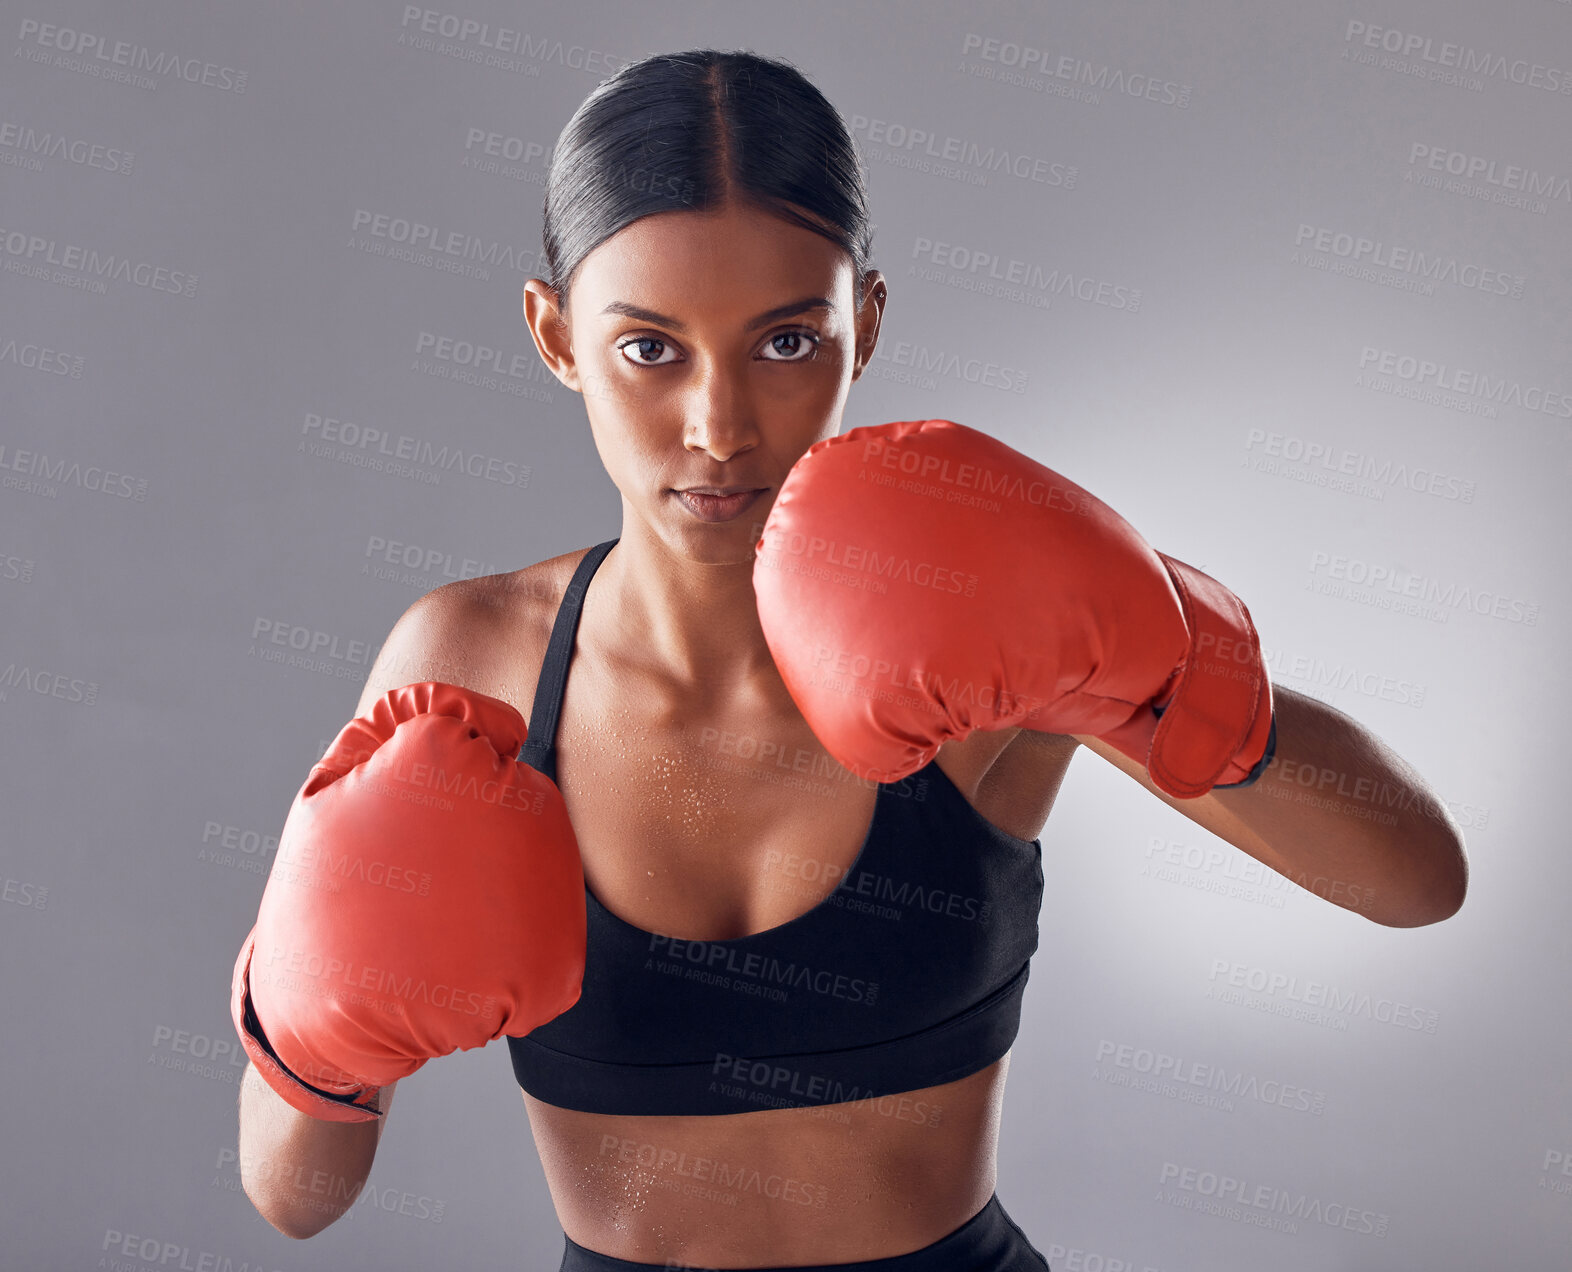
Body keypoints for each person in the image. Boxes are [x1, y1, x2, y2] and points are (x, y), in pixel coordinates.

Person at [231, 48, 1469, 1269]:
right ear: (556, 338)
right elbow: (295, 1201)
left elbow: (1416, 881)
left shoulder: (981, 624)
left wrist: (1161, 650)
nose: (719, 426)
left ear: (862, 327)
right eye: (649, 349)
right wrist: (317, 1048)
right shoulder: (473, 665)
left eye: (783, 343)